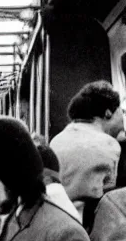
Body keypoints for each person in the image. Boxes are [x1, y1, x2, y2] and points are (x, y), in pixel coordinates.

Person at [49, 80, 123, 226]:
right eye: (122, 112)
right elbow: (112, 203)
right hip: (86, 226)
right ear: (108, 112)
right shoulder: (109, 145)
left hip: (55, 220)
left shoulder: (57, 140)